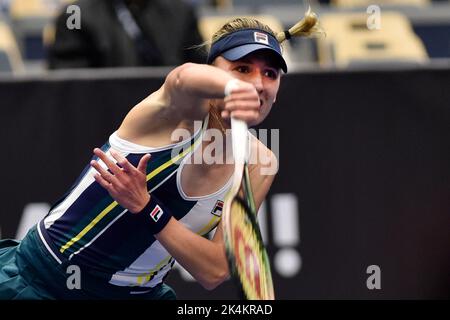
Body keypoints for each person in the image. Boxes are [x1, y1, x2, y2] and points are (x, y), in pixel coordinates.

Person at [0, 10, 320, 299]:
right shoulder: (180, 111)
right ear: (212, 69)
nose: (257, 84)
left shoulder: (260, 164)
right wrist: (231, 88)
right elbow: (183, 77)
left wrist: (148, 208)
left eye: (270, 75)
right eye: (242, 68)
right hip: (44, 282)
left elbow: (214, 271)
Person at [47, 0, 204, 69]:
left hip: (175, 119)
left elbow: (201, 67)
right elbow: (69, 88)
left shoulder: (181, 11)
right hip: (103, 122)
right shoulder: (75, 15)